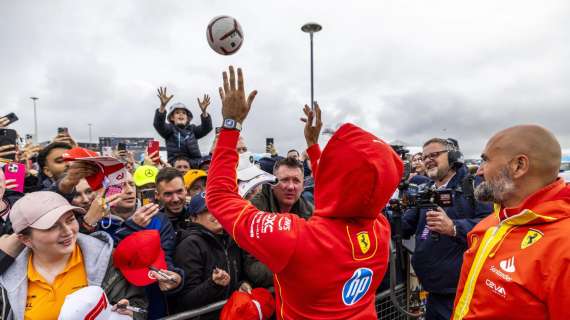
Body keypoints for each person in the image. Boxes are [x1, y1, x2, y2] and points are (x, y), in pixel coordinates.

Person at [206, 66, 402, 319]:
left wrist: (231, 125)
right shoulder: (380, 229)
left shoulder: (297, 238)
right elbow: (345, 190)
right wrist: (314, 148)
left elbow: (219, 197)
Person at [452, 125, 570, 320]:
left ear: (519, 166)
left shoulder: (563, 245)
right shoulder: (494, 220)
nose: (479, 171)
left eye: (485, 160)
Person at [0, 191, 147, 319]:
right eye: (52, 227)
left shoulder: (108, 259)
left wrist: (129, 313)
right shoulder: (7, 278)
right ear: (25, 239)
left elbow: (138, 307)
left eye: (70, 220)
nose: (67, 231)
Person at [400, 138, 492, 320]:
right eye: (425, 156)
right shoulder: (426, 189)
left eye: (434, 155)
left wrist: (453, 228)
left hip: (461, 290)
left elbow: (491, 225)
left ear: (453, 156)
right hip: (432, 287)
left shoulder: (474, 184)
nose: (427, 160)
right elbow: (405, 226)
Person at [174, 192, 250, 319]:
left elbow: (236, 277)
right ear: (193, 218)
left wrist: (241, 285)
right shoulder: (190, 245)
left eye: (218, 206)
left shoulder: (231, 238)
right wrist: (214, 284)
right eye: (207, 210)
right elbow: (186, 301)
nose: (215, 212)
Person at [244, 158, 315, 288]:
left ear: (303, 186)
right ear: (273, 182)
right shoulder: (254, 210)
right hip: (266, 292)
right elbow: (253, 267)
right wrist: (296, 270)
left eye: (296, 181)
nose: (291, 186)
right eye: (285, 180)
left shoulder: (310, 211)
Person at [153, 87, 213, 166]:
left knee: (210, 160)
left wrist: (204, 112)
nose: (181, 114)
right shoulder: (170, 129)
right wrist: (162, 106)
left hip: (194, 164)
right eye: (177, 113)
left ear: (188, 118)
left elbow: (206, 128)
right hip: (176, 165)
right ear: (172, 118)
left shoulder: (193, 129)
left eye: (184, 113)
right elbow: (159, 124)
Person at [156, 167, 192, 232]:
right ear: (158, 195)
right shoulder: (152, 224)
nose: (175, 199)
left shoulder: (198, 216)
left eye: (179, 191)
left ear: (186, 190)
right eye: (168, 194)